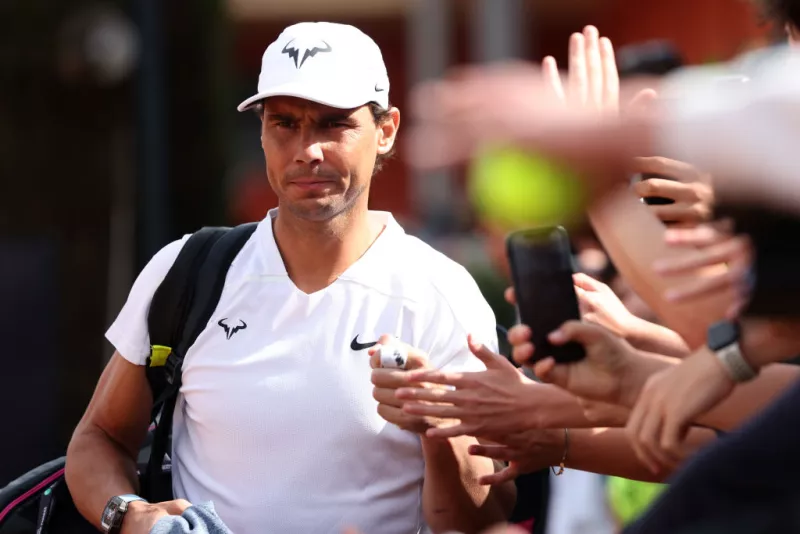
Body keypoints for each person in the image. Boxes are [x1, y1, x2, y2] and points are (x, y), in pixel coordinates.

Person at [64, 21, 514, 534]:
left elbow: (486, 520)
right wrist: (130, 516)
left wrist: (437, 426)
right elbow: (98, 437)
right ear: (261, 131)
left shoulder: (440, 292)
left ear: (386, 131)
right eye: (285, 123)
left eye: (333, 124)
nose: (307, 150)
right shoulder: (187, 269)